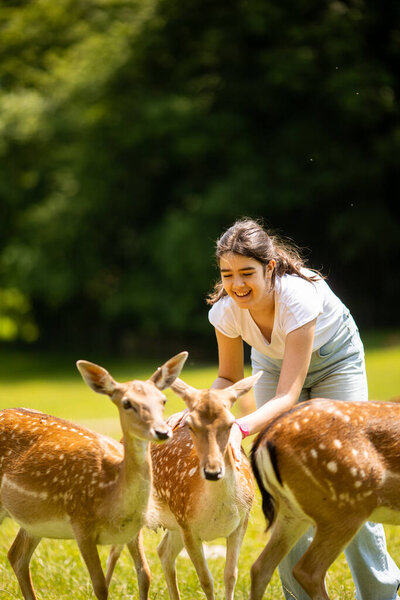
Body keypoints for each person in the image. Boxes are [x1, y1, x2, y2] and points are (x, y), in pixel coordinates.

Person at [207, 217, 400, 600]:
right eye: (228, 275)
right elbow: (228, 379)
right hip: (274, 365)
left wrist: (240, 429)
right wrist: (202, 412)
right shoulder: (225, 312)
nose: (237, 284)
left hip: (335, 360)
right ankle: (300, 596)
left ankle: (381, 595)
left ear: (270, 268)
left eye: (247, 272)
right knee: (287, 487)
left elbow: (288, 398)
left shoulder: (298, 296)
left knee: (356, 481)